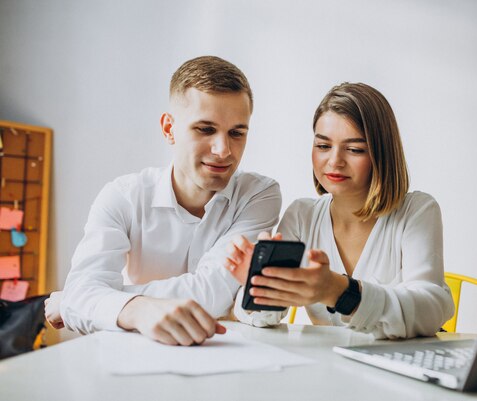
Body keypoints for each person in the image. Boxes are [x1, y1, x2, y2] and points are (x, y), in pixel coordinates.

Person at [44, 56, 281, 346]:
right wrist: (137, 309)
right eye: (205, 129)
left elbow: (212, 293)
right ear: (169, 129)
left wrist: (95, 301)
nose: (223, 150)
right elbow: (82, 291)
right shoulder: (123, 196)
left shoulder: (260, 194)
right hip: (137, 356)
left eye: (236, 133)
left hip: (225, 357)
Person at [226, 82, 454, 339]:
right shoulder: (302, 215)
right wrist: (260, 286)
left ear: (382, 154)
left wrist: (339, 291)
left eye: (355, 149)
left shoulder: (417, 211)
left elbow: (432, 308)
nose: (334, 161)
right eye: (323, 146)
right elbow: (255, 318)